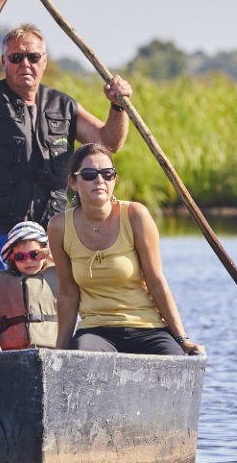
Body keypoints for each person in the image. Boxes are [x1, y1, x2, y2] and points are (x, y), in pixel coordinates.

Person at [0, 0, 135, 320]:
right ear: (4, 62)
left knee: (49, 319)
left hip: (47, 234)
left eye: (33, 57)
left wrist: (118, 106)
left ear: (45, 62)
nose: (25, 63)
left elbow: (109, 143)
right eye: (16, 57)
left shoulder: (64, 105)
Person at [50, 143, 203, 356]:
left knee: (174, 359)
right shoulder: (59, 226)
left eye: (107, 173)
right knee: (81, 359)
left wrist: (183, 340)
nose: (99, 181)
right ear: (73, 182)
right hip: (95, 332)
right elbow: (67, 294)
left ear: (114, 179)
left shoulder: (135, 215)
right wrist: (59, 352)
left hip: (148, 328)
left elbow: (156, 281)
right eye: (89, 174)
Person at [0, 220, 62, 350]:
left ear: (44, 252)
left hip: (52, 347)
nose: (28, 260)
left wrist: (52, 255)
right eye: (20, 256)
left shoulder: (59, 274)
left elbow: (76, 269)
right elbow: (5, 322)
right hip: (14, 350)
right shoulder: (5, 283)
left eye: (34, 254)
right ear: (11, 258)